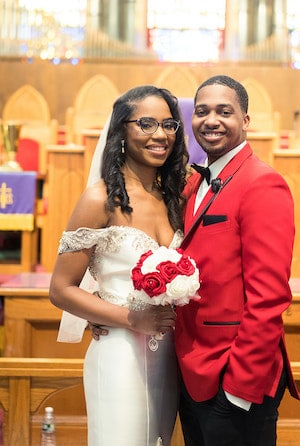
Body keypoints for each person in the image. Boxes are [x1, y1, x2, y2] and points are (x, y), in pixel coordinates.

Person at [49, 85, 189, 446]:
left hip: (169, 357)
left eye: (169, 124)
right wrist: (129, 317)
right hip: (119, 352)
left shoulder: (174, 197)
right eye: (146, 123)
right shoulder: (100, 199)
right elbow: (61, 289)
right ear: (121, 131)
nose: (160, 135)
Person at [174, 75, 300, 446]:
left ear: (246, 120)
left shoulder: (262, 183)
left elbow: (270, 297)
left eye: (224, 112)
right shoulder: (194, 184)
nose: (211, 120)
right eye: (202, 111)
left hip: (235, 376)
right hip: (193, 371)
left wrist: (239, 389)